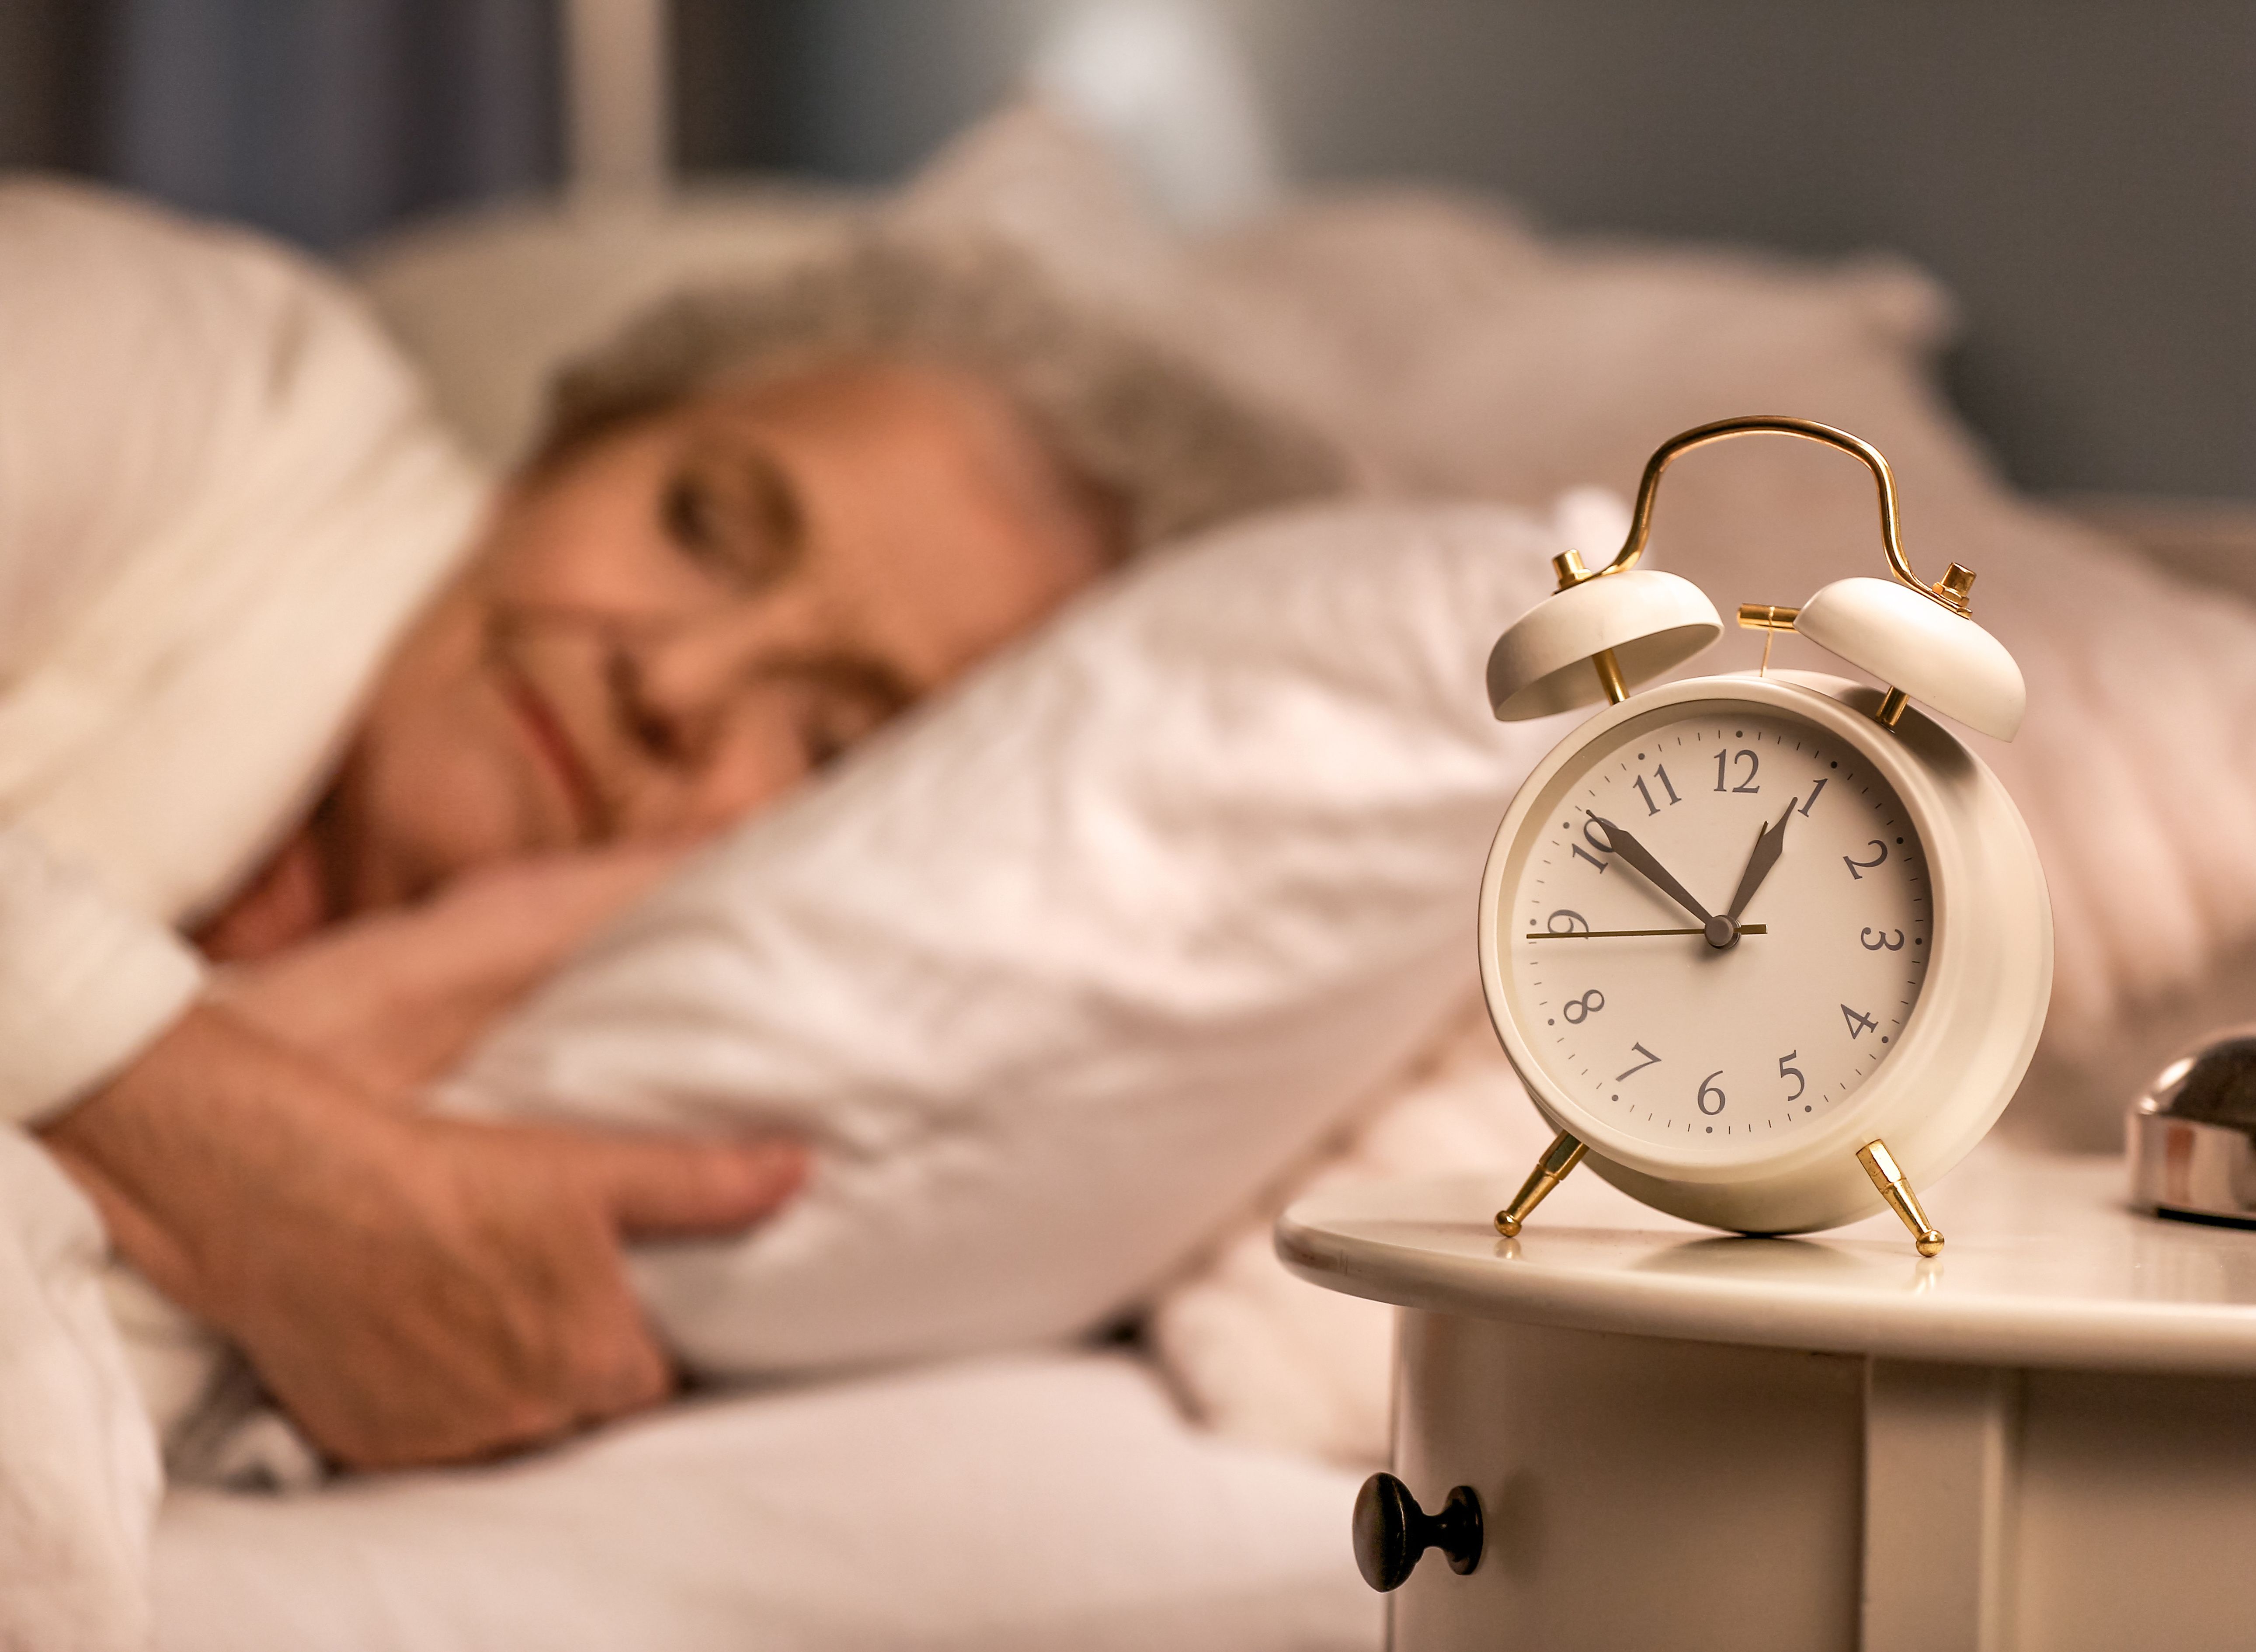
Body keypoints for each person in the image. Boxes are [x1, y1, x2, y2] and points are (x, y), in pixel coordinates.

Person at [0, 178, 1340, 1506]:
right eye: (703, 525)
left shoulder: (545, 1082)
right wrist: (264, 1163)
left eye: (828, 743)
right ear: (565, 448)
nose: (681, 684)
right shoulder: (186, 364)